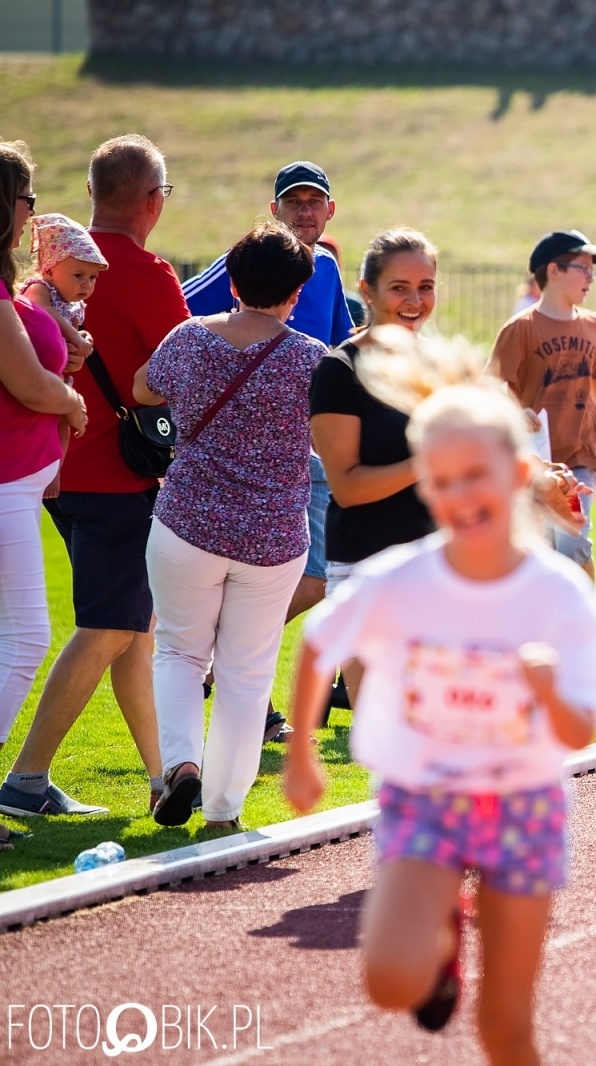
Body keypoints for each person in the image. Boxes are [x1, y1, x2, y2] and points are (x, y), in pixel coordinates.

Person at [283, 331, 596, 1063]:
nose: (459, 494)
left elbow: (580, 730)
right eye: (441, 481)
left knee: (506, 1025)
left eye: (477, 475)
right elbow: (320, 642)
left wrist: (545, 689)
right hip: (425, 799)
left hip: (523, 806)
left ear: (519, 471)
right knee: (388, 981)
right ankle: (438, 938)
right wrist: (302, 757)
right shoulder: (400, 579)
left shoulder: (558, 596)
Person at [0, 135, 183, 819]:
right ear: (152, 200)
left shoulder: (47, 272)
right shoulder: (147, 273)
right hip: (115, 477)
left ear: (90, 194)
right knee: (109, 626)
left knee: (134, 627)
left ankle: (164, 775)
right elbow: (181, 369)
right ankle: (25, 777)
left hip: (57, 470)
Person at [132, 221, 322, 829]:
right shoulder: (310, 360)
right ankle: (222, 810)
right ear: (297, 292)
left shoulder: (189, 338)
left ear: (233, 281)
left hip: (186, 522)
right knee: (246, 674)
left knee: (180, 653)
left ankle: (180, 766)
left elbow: (143, 389)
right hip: (272, 536)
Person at [183, 161, 355, 688]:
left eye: (313, 201)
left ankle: (216, 654)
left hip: (311, 441)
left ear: (330, 211)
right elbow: (180, 307)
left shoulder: (325, 267)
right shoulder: (247, 264)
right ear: (274, 208)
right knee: (315, 573)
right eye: (293, 201)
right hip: (246, 448)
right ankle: (219, 657)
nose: (304, 210)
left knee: (319, 574)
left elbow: (345, 346)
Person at [0, 141, 90, 844]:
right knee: (27, 637)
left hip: (17, 486)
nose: (33, 215)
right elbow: (28, 384)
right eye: (28, 200)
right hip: (5, 486)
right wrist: (69, 400)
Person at [310, 228, 441, 705]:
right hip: (367, 571)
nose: (415, 300)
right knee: (387, 740)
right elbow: (346, 487)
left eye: (425, 286)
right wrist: (427, 463)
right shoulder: (340, 369)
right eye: (400, 287)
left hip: (439, 568)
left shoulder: (440, 365)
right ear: (367, 290)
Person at [491, 229, 596, 578]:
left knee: (573, 544)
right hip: (532, 461)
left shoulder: (594, 325)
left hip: (576, 460)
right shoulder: (521, 329)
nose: (591, 277)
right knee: (539, 549)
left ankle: (590, 629)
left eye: (593, 269)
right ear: (553, 271)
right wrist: (516, 412)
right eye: (583, 267)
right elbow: (491, 386)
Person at [20, 212, 105, 369]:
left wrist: (80, 342)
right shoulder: (39, 288)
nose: (86, 284)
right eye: (78, 275)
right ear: (50, 271)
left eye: (92, 277)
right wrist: (74, 336)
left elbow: (67, 333)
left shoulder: (72, 304)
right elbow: (43, 310)